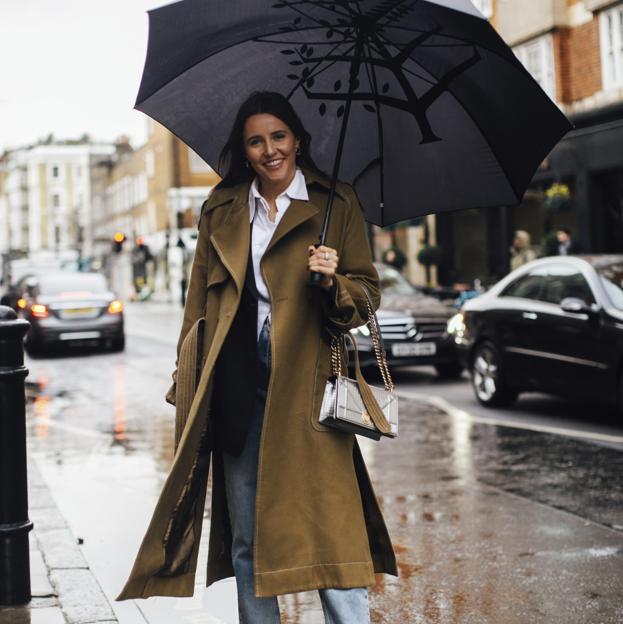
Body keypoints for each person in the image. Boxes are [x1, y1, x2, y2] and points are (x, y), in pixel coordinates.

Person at [117, 92, 397, 623]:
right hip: (236, 377)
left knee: (331, 529)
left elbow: (366, 299)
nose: (270, 150)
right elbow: (197, 304)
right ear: (243, 151)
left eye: (279, 136)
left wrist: (333, 278)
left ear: (297, 140)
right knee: (246, 532)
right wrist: (188, 376)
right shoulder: (221, 209)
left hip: (309, 381)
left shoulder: (336, 202)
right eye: (256, 140)